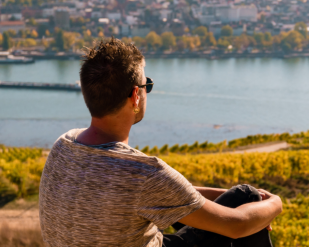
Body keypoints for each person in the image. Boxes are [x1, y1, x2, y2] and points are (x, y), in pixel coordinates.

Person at [39, 38, 282, 247]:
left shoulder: (63, 146)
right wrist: (272, 203)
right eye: (148, 86)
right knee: (247, 196)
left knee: (245, 199)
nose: (147, 92)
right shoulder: (142, 174)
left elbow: (160, 195)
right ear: (136, 96)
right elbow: (237, 226)